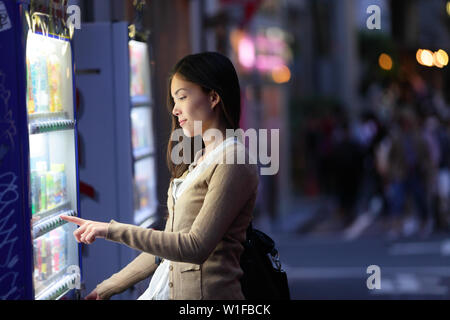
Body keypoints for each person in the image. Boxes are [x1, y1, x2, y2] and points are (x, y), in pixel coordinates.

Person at [61, 52, 259, 300]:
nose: (175, 109)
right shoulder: (198, 158)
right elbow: (165, 249)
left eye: (183, 97)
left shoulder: (234, 161)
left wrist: (110, 230)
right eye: (174, 100)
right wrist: (106, 289)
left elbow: (194, 247)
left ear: (213, 97)